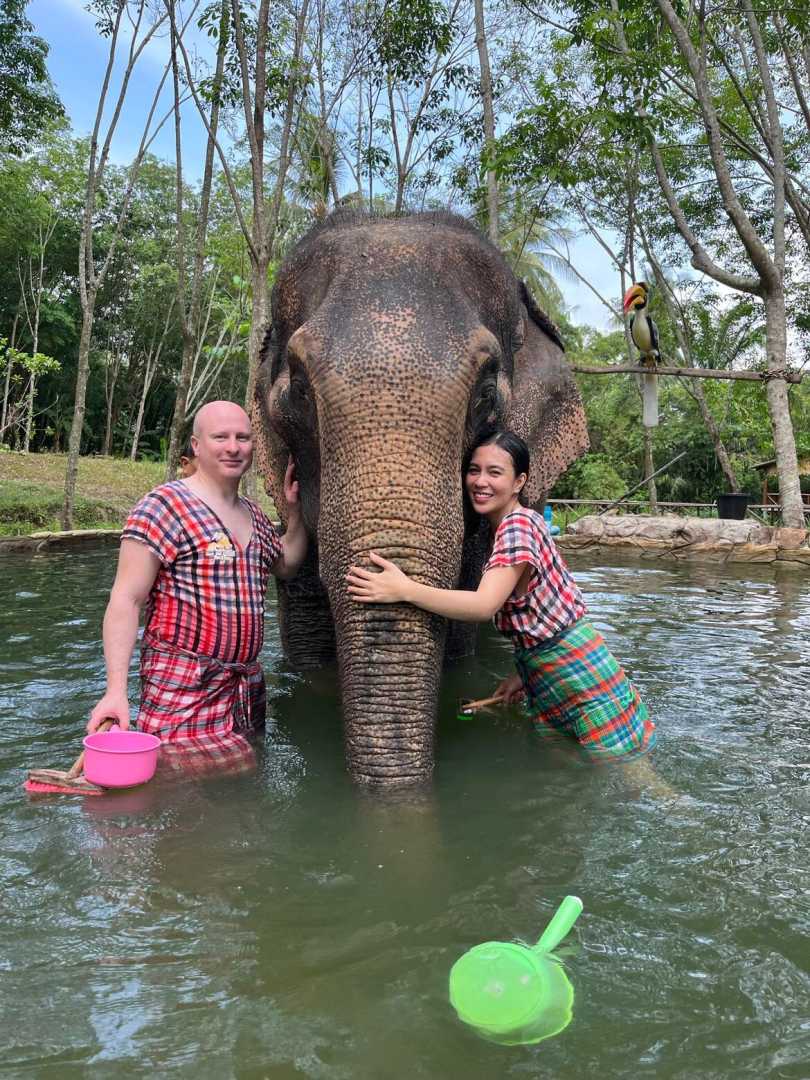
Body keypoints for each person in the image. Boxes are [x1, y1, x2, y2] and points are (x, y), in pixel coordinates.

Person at [346, 428, 655, 763]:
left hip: (582, 675)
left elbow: (483, 606)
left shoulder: (517, 528)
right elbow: (538, 622)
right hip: (552, 672)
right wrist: (522, 676)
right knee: (573, 760)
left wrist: (405, 589)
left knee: (628, 771)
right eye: (474, 470)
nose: (480, 482)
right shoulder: (521, 523)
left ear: (519, 482)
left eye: (495, 473)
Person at [88, 400, 307, 766]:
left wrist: (295, 513)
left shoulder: (253, 513)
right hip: (184, 684)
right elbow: (125, 600)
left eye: (243, 437)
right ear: (197, 444)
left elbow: (286, 564)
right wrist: (115, 691)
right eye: (220, 437)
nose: (234, 447)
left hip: (245, 685)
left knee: (240, 786)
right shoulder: (163, 506)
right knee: (180, 785)